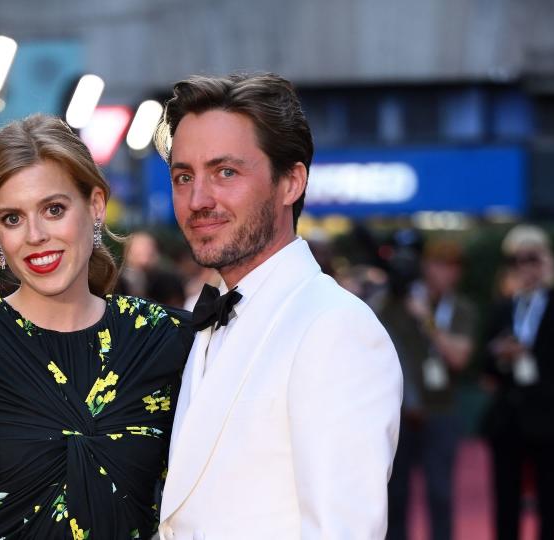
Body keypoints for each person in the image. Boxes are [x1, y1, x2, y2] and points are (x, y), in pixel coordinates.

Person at [0, 114, 193, 539]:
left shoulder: (161, 338)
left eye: (54, 209)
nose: (35, 235)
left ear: (96, 206)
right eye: (12, 218)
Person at [154, 73, 402, 539]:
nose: (198, 199)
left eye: (225, 172)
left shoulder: (336, 328)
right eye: (183, 176)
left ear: (291, 182)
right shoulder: (201, 320)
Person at [372, 238, 477, 540]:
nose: (445, 273)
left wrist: (427, 321)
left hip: (441, 413)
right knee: (395, 494)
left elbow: (459, 358)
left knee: (440, 492)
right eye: (438, 264)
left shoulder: (461, 308)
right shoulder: (397, 301)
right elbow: (371, 321)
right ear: (425, 267)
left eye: (453, 266)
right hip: (401, 414)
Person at [480, 225, 554, 540]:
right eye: (517, 260)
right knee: (505, 502)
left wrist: (549, 285)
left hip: (549, 415)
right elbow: (484, 362)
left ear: (546, 261)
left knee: (551, 499)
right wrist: (499, 353)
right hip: (508, 418)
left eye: (532, 258)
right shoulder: (502, 306)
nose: (525, 267)